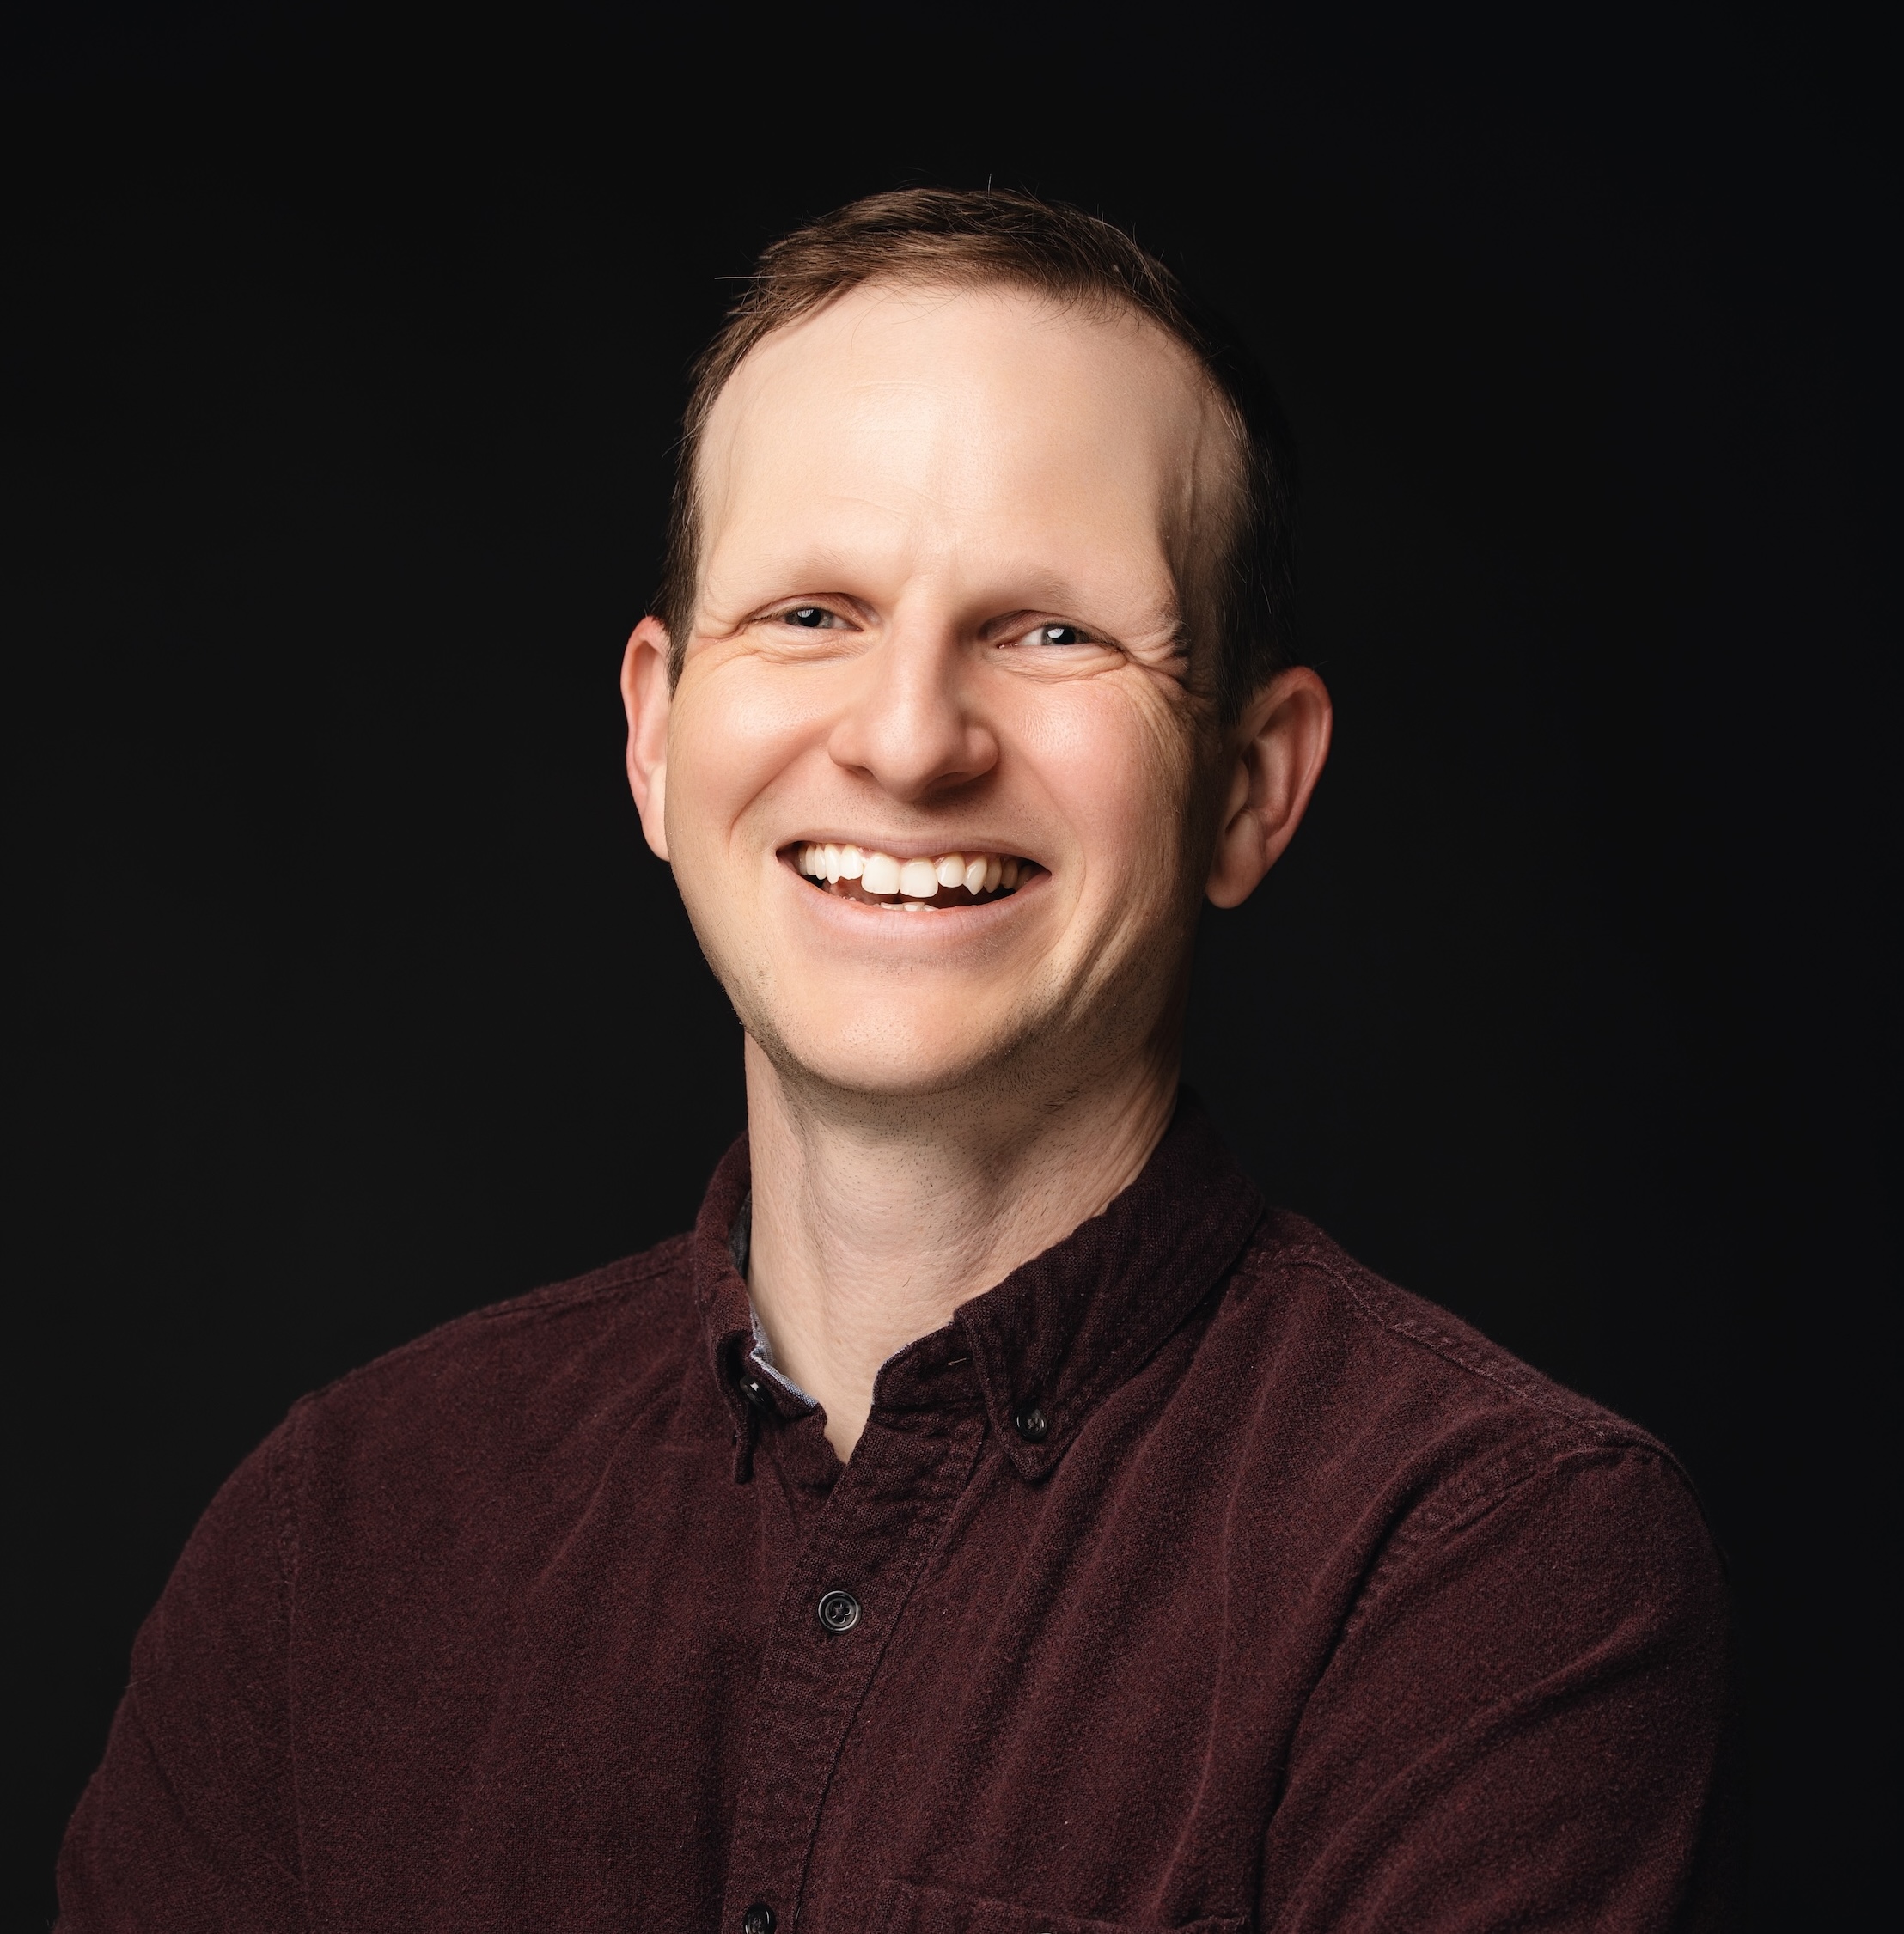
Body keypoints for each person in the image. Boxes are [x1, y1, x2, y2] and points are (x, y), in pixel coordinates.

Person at [58, 190, 1738, 1932]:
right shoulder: (340, 1533)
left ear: (1250, 783)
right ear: (653, 734)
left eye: (1050, 631)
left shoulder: (1485, 1562)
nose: (910, 738)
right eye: (808, 612)